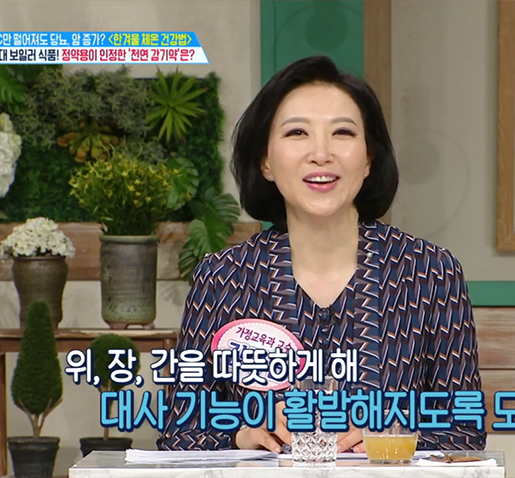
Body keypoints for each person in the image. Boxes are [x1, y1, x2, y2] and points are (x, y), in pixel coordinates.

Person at [157, 55, 485, 453]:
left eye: (342, 133)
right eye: (297, 132)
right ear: (265, 161)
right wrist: (241, 435)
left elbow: (464, 432)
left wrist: (395, 435)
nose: (321, 153)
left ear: (369, 158)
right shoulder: (224, 276)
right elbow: (180, 433)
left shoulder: (430, 272)